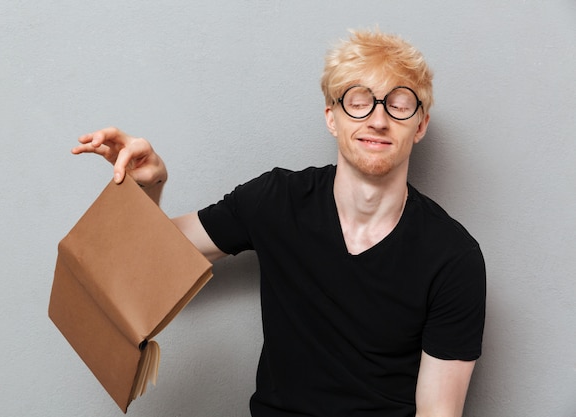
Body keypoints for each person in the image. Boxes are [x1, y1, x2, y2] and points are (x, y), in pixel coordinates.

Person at [72, 29, 486, 417]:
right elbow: (146, 257)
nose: (378, 119)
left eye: (398, 104)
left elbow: (438, 412)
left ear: (420, 125)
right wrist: (152, 184)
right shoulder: (275, 200)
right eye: (359, 101)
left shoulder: (453, 258)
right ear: (331, 116)